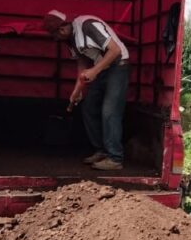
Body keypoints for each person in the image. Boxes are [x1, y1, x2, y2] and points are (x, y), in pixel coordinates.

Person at [43, 11, 130, 170]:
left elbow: (115, 50)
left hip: (118, 66)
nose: (57, 40)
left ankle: (115, 158)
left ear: (62, 30)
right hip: (102, 68)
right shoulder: (71, 40)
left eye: (56, 35)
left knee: (109, 111)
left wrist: (94, 71)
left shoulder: (87, 25)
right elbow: (82, 64)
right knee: (88, 106)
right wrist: (77, 91)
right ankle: (101, 151)